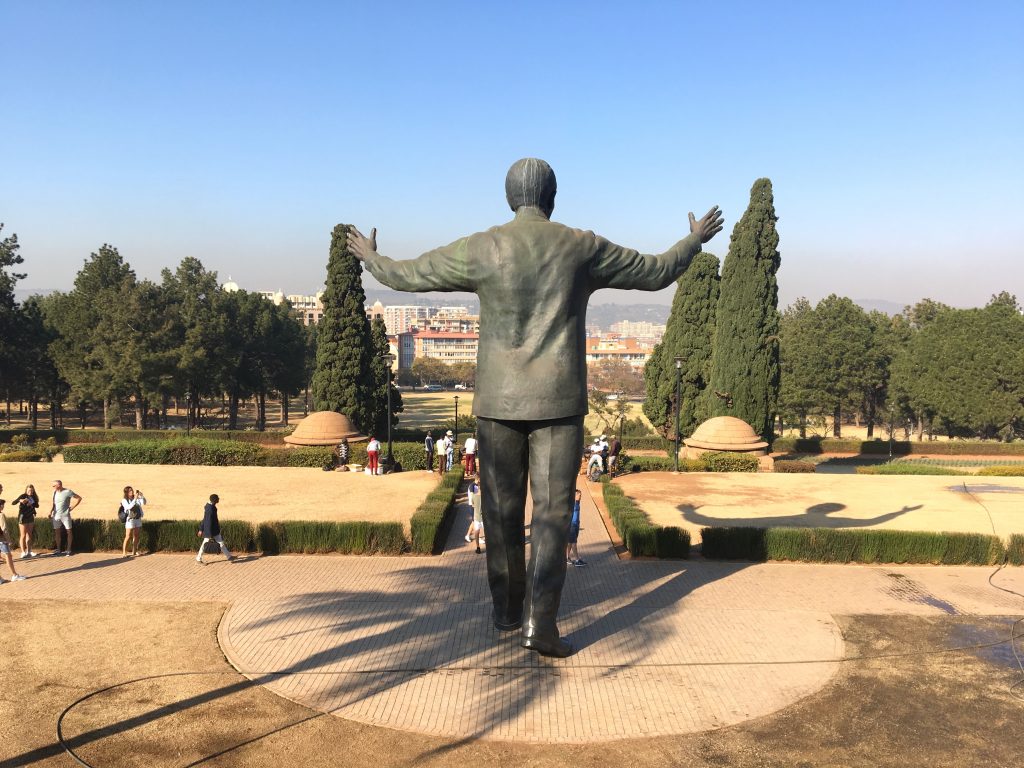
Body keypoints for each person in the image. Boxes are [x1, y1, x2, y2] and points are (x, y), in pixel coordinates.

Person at [349, 157, 722, 657]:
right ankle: (539, 626)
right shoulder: (580, 246)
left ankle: (506, 610)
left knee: (502, 515)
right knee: (549, 516)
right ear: (552, 197)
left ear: (510, 198)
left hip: (497, 399)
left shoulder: (483, 246)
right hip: (558, 400)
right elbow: (655, 273)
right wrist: (693, 241)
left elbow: (410, 275)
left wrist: (373, 258)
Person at [196, 493, 233, 564]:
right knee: (205, 545)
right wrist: (210, 535)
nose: (219, 499)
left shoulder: (210, 507)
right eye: (218, 498)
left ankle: (229, 557)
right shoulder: (210, 509)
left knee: (221, 543)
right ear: (214, 500)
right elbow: (208, 521)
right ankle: (198, 559)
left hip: (213, 530)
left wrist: (201, 529)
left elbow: (204, 519)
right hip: (211, 531)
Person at [50, 479, 82, 557]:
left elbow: (79, 498)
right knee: (57, 532)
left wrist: (72, 508)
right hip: (56, 515)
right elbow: (54, 504)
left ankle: (68, 549)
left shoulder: (68, 492)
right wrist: (50, 512)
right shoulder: (55, 492)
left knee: (69, 531)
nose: (53, 487)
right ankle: (58, 549)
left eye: (54, 486)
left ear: (59, 485)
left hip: (65, 515)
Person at [0, 501, 28, 582]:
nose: (3, 506)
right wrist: (8, 540)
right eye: (2, 504)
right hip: (2, 540)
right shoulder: (1, 515)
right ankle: (14, 575)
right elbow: (4, 528)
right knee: (8, 556)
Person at [13, 484, 39, 558]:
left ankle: (29, 551)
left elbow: (37, 505)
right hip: (23, 517)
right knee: (23, 535)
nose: (30, 492)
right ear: (26, 490)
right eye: (29, 490)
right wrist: (20, 500)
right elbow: (13, 503)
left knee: (29, 534)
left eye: (31, 490)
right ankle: (23, 552)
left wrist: (32, 504)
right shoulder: (23, 496)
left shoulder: (34, 497)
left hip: (30, 517)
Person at [120, 486, 146, 557]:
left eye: (132, 490)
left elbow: (144, 503)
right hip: (130, 520)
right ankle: (124, 552)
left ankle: (134, 551)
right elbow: (129, 507)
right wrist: (135, 499)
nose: (132, 492)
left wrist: (142, 496)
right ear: (126, 493)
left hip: (137, 519)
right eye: (129, 491)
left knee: (136, 535)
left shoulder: (136, 498)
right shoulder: (124, 500)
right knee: (128, 536)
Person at [566, 489, 586, 567]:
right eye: (579, 495)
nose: (580, 496)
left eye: (580, 495)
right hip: (572, 525)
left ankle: (567, 557)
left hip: (576, 524)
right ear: (574, 496)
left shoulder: (577, 502)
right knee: (574, 542)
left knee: (570, 542)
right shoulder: (572, 504)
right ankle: (577, 560)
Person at [464, 477, 484, 553]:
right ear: (478, 479)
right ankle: (468, 535)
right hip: (473, 506)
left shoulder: (474, 486)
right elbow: (475, 497)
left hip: (475, 507)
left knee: (475, 522)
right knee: (474, 522)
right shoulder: (474, 486)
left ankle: (469, 536)